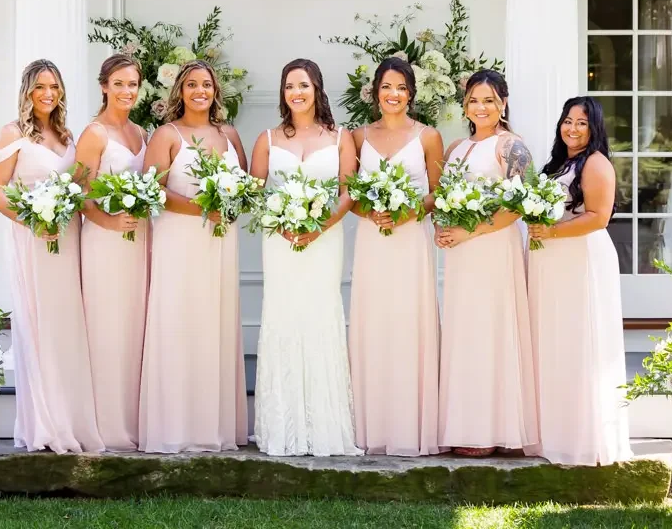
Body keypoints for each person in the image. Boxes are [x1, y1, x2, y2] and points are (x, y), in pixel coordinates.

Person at [0, 59, 103, 454]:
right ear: (27, 91)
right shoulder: (12, 134)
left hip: (68, 238)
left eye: (54, 86)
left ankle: (70, 418)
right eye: (40, 87)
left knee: (67, 326)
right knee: (40, 326)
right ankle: (45, 425)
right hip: (35, 239)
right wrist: (33, 220)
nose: (48, 94)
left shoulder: (67, 135)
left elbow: (81, 186)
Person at [249, 58, 361, 457]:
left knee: (320, 315)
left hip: (324, 238)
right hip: (279, 241)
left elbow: (349, 192)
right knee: (282, 315)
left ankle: (325, 427)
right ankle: (282, 427)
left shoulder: (340, 137)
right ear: (283, 93)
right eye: (290, 86)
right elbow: (255, 192)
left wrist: (319, 226)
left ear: (317, 89)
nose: (297, 92)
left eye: (304, 85)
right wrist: (282, 225)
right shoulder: (267, 138)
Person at [138, 60, 248, 453]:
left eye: (206, 84)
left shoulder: (229, 134)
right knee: (179, 321)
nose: (199, 91)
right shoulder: (167, 134)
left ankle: (213, 427)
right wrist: (204, 207)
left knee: (214, 322)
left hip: (220, 242)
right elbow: (153, 190)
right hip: (180, 241)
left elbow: (246, 188)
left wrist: (229, 207)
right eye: (191, 85)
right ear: (179, 91)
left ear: (216, 90)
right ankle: (175, 427)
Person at [436, 69, 539, 457]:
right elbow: (442, 197)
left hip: (493, 248)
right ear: (465, 105)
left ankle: (491, 429)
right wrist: (441, 228)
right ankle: (462, 425)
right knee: (464, 331)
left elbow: (519, 207)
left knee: (490, 330)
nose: (481, 107)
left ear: (503, 103)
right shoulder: (456, 148)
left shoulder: (511, 147)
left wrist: (470, 232)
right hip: (461, 257)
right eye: (474, 100)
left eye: (489, 100)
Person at [527, 96, 633, 466]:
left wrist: (551, 232)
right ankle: (553, 431)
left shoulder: (596, 163)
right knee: (556, 342)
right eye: (567, 121)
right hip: (554, 261)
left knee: (579, 341)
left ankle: (582, 438)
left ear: (595, 128)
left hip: (581, 258)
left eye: (581, 123)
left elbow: (598, 216)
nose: (572, 128)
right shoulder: (561, 164)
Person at [348, 57, 443, 456]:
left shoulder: (428, 136)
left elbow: (439, 192)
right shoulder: (356, 137)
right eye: (386, 87)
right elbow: (347, 193)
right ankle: (371, 425)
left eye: (401, 88)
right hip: (372, 239)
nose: (393, 94)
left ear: (411, 94)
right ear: (374, 91)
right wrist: (370, 212)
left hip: (409, 240)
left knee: (408, 321)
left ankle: (412, 426)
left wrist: (409, 212)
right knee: (373, 321)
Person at [78, 54, 149, 452]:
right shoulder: (95, 133)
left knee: (134, 329)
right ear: (104, 85)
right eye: (118, 84)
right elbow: (80, 193)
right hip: (106, 243)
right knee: (106, 330)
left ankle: (134, 420)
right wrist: (107, 221)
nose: (126, 91)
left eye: (132, 85)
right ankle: (106, 426)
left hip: (139, 243)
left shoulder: (142, 133)